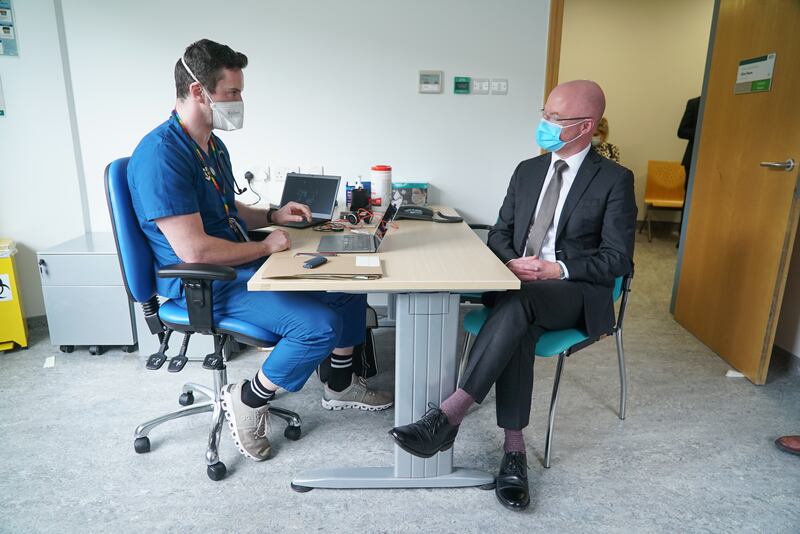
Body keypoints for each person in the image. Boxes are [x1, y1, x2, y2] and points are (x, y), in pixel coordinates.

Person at [128, 39, 392, 463]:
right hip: (205, 282)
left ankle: (339, 387)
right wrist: (265, 245)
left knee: (347, 286)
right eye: (232, 92)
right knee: (317, 326)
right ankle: (249, 400)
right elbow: (194, 249)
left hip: (241, 263)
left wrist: (274, 214)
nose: (239, 101)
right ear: (199, 91)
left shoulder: (211, 146)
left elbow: (226, 209)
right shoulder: (161, 156)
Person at [389, 80, 637, 510]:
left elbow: (617, 259)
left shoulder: (615, 180)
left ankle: (448, 415)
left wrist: (555, 268)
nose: (544, 124)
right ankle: (514, 452)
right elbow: (501, 232)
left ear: (585, 127)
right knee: (519, 317)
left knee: (519, 305)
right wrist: (510, 263)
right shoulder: (527, 171)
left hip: (573, 290)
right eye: (544, 113)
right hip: (516, 284)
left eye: (555, 119)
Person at [677, 96, 700, 244]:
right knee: (690, 198)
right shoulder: (694, 103)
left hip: (717, 158)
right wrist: (704, 130)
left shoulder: (724, 102)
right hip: (693, 159)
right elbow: (682, 131)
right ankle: (683, 237)